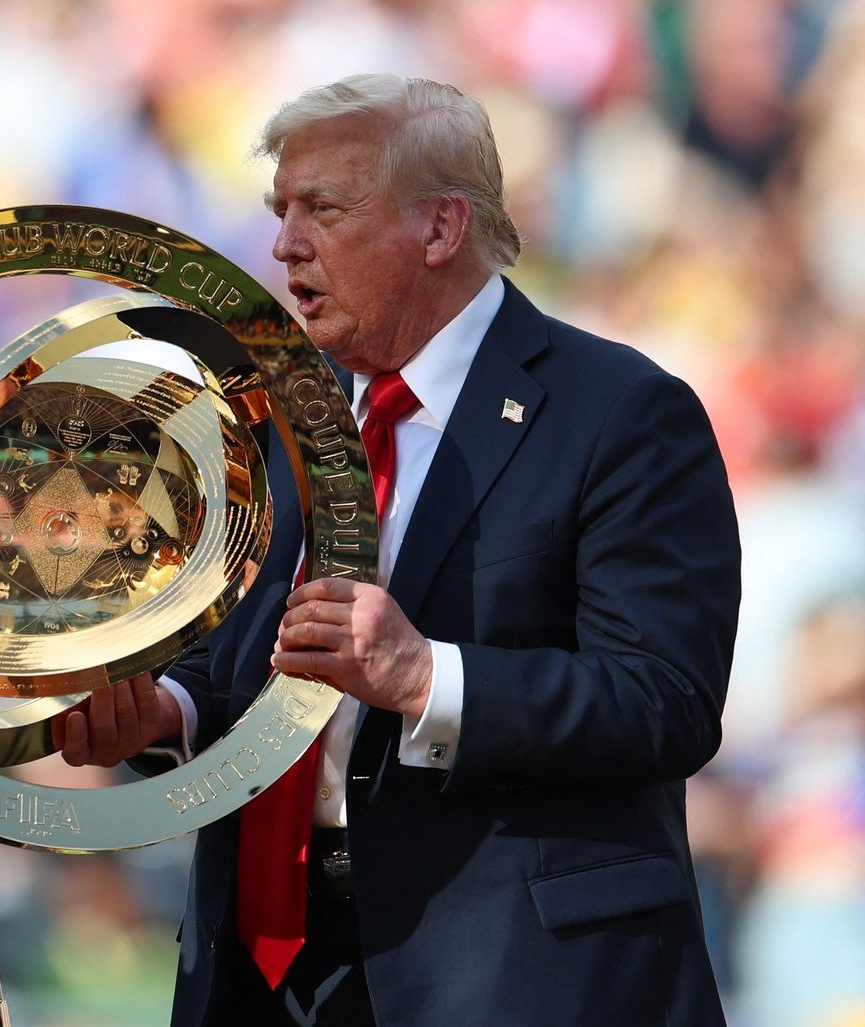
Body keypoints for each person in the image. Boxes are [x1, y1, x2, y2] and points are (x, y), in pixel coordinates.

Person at [55, 74, 739, 1026]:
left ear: (440, 228)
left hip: (508, 977)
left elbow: (663, 700)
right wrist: (159, 712)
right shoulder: (267, 413)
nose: (285, 243)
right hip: (256, 976)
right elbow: (231, 660)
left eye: (323, 209)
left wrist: (425, 676)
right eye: (279, 209)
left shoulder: (619, 413)